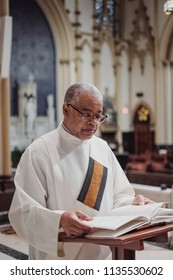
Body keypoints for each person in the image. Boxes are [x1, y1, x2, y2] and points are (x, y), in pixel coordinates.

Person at [9, 82, 152, 260]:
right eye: (86, 114)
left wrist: (133, 203)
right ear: (66, 110)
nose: (93, 123)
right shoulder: (39, 152)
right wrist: (60, 220)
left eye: (98, 116)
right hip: (57, 261)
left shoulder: (102, 148)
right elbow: (23, 212)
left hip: (101, 255)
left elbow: (116, 197)